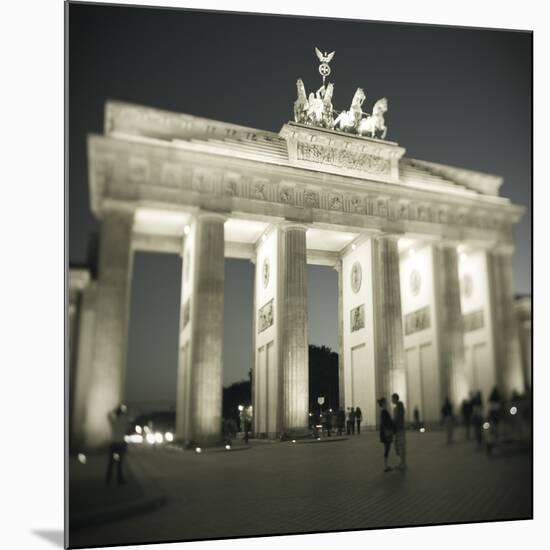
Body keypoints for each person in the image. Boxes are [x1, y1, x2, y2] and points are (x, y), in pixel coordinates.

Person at [105, 404, 129, 485]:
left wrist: (114, 410)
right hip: (121, 444)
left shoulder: (114, 421)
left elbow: (108, 415)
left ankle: (108, 479)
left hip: (113, 444)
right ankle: (120, 480)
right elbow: (128, 425)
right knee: (119, 463)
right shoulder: (124, 421)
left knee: (111, 463)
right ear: (122, 413)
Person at [378, 397, 395, 472]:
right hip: (386, 433)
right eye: (385, 402)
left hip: (384, 432)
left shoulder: (383, 411)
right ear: (383, 404)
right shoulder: (384, 412)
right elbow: (386, 423)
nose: (387, 403)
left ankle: (386, 465)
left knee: (387, 448)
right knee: (387, 448)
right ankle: (386, 466)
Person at [391, 393, 406, 469]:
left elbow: (398, 417)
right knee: (398, 447)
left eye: (392, 398)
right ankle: (402, 463)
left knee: (401, 446)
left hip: (400, 429)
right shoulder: (396, 407)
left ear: (396, 398)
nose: (391, 400)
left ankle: (403, 464)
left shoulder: (400, 405)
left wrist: (392, 422)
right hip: (398, 429)